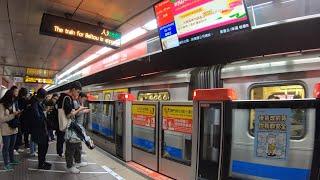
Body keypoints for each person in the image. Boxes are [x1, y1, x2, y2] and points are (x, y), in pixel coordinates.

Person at [57, 81, 88, 173]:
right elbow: (69, 115)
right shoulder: (66, 98)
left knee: (76, 144)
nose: (78, 94)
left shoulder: (65, 97)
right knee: (70, 146)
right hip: (68, 125)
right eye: (78, 92)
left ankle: (77, 162)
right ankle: (70, 166)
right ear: (73, 90)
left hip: (70, 125)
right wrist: (79, 109)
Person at [29, 88, 52, 170]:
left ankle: (42, 161)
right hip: (39, 129)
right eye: (45, 96)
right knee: (42, 147)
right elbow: (37, 117)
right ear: (42, 96)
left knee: (45, 146)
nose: (46, 98)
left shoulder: (38, 103)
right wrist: (45, 114)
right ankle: (41, 164)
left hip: (42, 129)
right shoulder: (35, 103)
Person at [0, 89, 21, 171]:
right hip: (6, 130)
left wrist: (17, 114)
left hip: (14, 128)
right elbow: (1, 119)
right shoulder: (1, 105)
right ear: (8, 97)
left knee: (12, 146)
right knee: (6, 147)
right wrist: (13, 115)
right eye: (12, 97)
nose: (13, 99)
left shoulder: (13, 104)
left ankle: (12, 160)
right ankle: (6, 164)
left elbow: (14, 113)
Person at [10, 86, 24, 155]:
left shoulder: (15, 100)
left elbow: (16, 108)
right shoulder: (9, 100)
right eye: (16, 91)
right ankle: (13, 149)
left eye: (17, 91)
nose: (17, 93)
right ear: (12, 91)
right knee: (12, 136)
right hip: (11, 120)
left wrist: (18, 111)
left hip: (16, 119)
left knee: (17, 134)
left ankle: (15, 148)